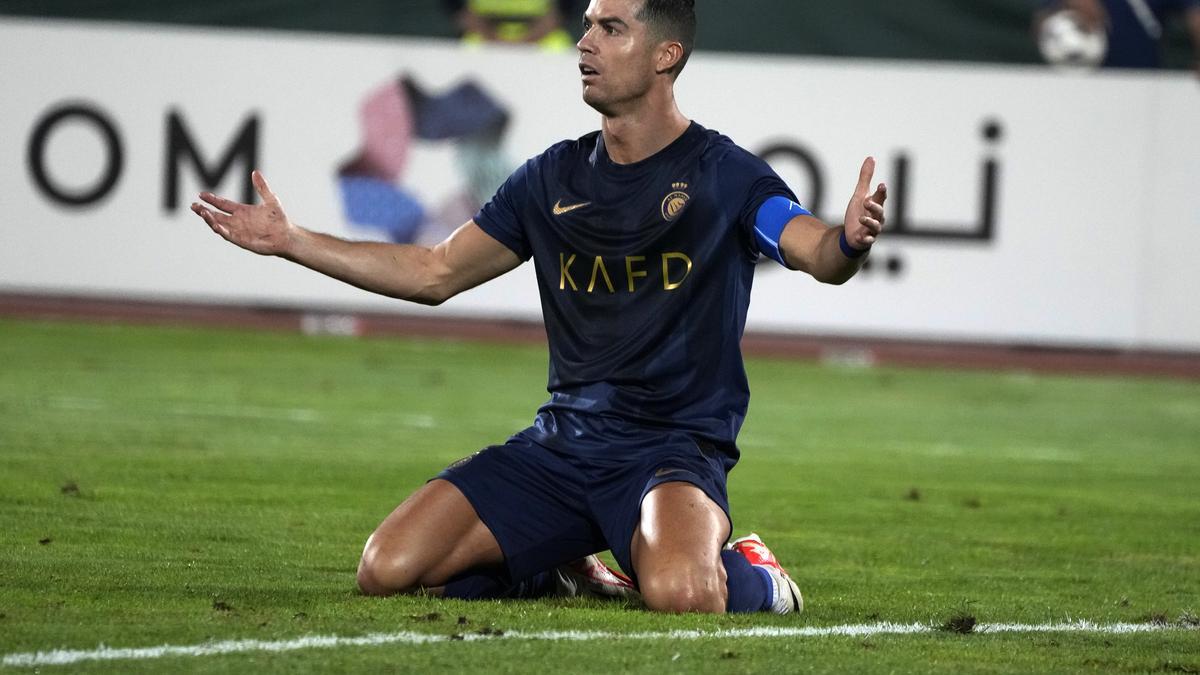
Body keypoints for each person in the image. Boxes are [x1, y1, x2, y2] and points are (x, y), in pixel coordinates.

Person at [191, 0, 887, 614]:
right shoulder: (552, 176)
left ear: (665, 55)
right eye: (585, 25)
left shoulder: (724, 174)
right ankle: (559, 568)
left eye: (610, 28)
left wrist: (847, 240)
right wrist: (290, 241)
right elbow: (434, 272)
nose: (584, 42)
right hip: (561, 445)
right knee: (387, 569)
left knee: (682, 594)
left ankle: (756, 574)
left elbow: (813, 252)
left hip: (671, 451)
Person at [1035, 0, 1200, 73]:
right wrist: (1065, 9)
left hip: (1143, 85)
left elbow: (1195, 15)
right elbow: (1039, 26)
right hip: (1078, 82)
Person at [444, 0, 581, 52]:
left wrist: (527, 40)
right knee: (467, 52)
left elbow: (564, 10)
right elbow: (456, 9)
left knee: (558, 52)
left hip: (544, 35)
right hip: (481, 35)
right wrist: (493, 39)